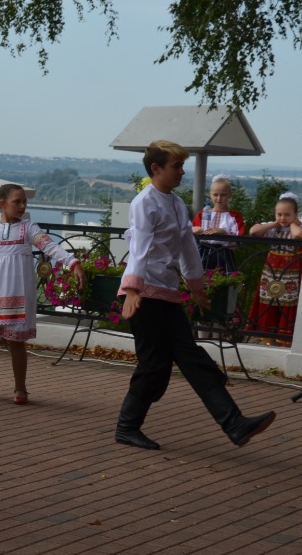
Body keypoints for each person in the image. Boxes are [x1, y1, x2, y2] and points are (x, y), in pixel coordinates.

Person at [114, 140, 276, 450]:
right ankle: (126, 428)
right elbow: (139, 247)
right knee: (154, 364)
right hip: (143, 293)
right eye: (176, 166)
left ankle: (235, 423)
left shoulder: (177, 204)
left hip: (166, 291)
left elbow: (187, 247)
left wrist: (197, 286)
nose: (182, 172)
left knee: (190, 355)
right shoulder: (143, 203)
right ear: (156, 168)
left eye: (182, 166)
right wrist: (133, 289)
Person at [0, 183, 84, 404]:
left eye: (24, 201)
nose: (22, 206)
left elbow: (50, 247)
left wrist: (72, 262)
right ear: (2, 203)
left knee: (16, 342)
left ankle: (20, 389)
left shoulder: (29, 228)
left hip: (18, 291)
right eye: (17, 202)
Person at [247, 192, 302, 342]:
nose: (282, 218)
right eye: (279, 214)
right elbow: (253, 231)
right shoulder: (274, 228)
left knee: (287, 303)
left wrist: (293, 223)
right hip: (271, 273)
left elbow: (299, 236)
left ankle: (284, 337)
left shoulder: (301, 227)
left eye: (287, 214)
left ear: (295, 214)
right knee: (269, 301)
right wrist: (274, 223)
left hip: (291, 274)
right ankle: (268, 336)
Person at [190, 174, 245, 273]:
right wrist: (193, 229)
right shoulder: (202, 214)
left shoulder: (235, 217)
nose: (219, 198)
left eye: (223, 195)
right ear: (210, 194)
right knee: (201, 278)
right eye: (215, 195)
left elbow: (238, 239)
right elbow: (191, 231)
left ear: (230, 195)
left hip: (224, 253)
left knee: (223, 279)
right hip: (203, 251)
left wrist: (224, 232)